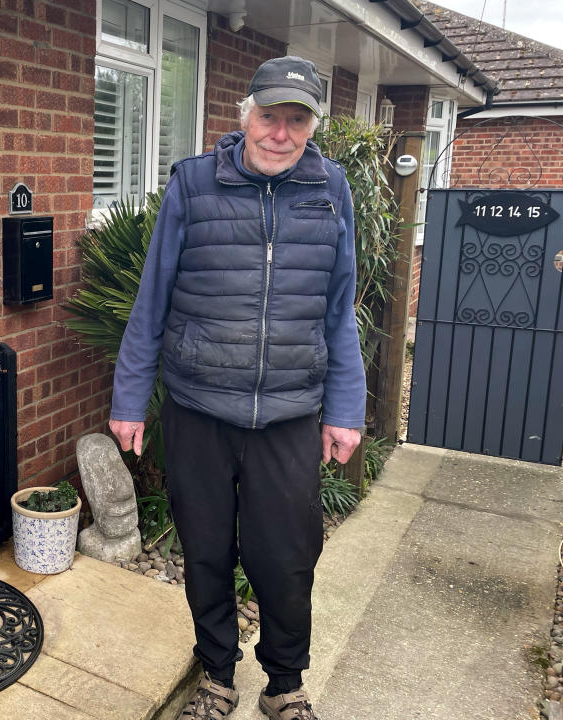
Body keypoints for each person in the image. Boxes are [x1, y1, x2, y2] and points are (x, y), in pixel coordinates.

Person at [108, 55, 366, 720]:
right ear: (244, 113)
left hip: (288, 413)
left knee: (286, 559)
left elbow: (340, 313)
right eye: (269, 116)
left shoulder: (330, 190)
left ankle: (286, 684)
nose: (280, 132)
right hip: (199, 407)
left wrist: (344, 410)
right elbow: (152, 300)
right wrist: (130, 399)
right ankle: (216, 675)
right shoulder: (194, 185)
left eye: (297, 120)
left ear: (313, 126)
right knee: (206, 550)